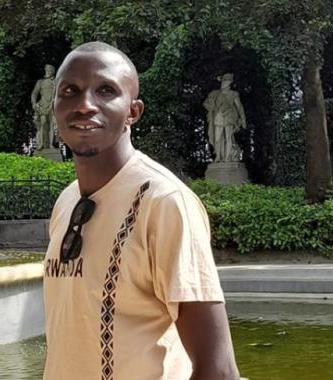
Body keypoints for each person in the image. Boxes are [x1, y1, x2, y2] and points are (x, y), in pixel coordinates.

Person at [43, 42, 240, 380]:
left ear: (133, 111)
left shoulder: (163, 203)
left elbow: (218, 370)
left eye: (105, 90)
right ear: (55, 106)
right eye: (70, 91)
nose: (85, 105)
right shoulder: (66, 201)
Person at [203, 73, 247, 162]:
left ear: (229, 82)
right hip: (218, 116)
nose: (223, 82)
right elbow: (205, 103)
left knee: (228, 137)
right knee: (217, 138)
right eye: (223, 80)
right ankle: (218, 156)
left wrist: (243, 119)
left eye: (226, 80)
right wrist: (212, 108)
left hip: (229, 116)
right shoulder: (214, 94)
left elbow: (239, 107)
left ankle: (227, 158)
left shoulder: (233, 94)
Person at [31, 64, 57, 150]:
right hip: (42, 105)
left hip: (53, 106)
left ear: (53, 71)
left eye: (50, 69)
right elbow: (34, 94)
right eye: (47, 69)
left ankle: (51, 145)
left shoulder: (56, 81)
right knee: (42, 125)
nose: (49, 70)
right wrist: (34, 103)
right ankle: (41, 144)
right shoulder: (40, 82)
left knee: (52, 125)